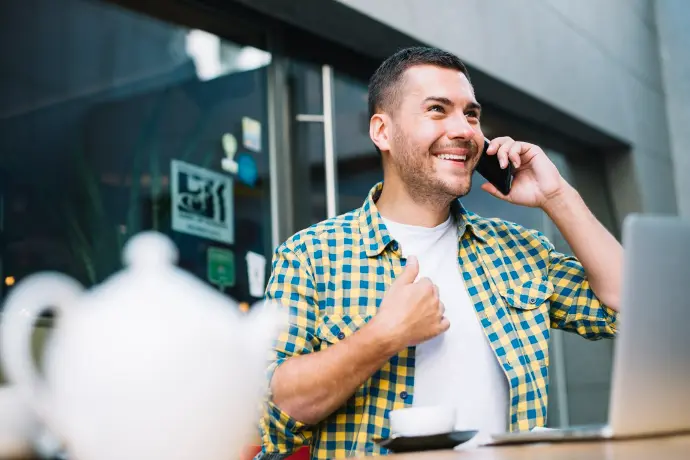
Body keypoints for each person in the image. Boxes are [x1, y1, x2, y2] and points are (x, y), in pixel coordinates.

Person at [257, 46, 622, 459]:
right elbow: (274, 415)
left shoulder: (519, 250)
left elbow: (630, 309)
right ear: (382, 132)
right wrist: (383, 335)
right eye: (437, 110)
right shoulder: (311, 255)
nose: (465, 130)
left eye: (471, 114)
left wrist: (556, 195)